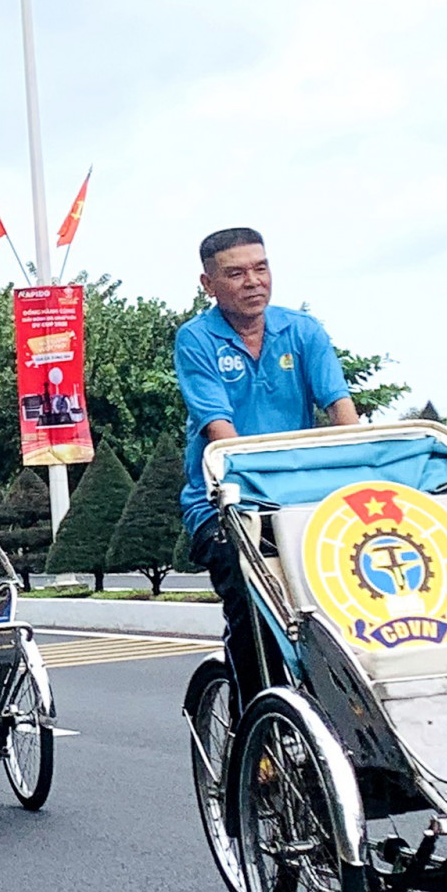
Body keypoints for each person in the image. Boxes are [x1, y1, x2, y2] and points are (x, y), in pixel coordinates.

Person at [175, 226, 357, 703]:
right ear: (208, 284)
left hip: (297, 501)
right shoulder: (196, 340)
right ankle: (258, 730)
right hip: (222, 504)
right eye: (235, 273)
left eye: (261, 268)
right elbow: (220, 430)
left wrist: (356, 473)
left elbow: (342, 410)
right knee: (252, 605)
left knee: (346, 596)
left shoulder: (302, 331)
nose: (253, 281)